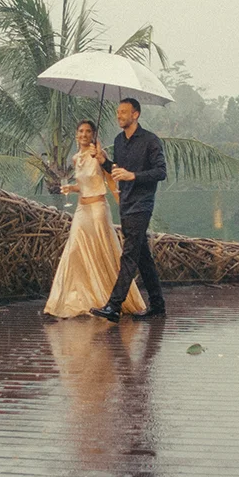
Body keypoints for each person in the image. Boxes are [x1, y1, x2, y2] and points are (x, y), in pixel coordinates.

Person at [43, 120, 146, 318]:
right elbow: (84, 185)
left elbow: (110, 181)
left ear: (93, 135)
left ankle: (108, 298)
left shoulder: (99, 155)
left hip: (98, 208)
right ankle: (71, 299)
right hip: (81, 209)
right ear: (76, 134)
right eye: (81, 131)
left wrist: (123, 204)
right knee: (74, 249)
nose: (84, 134)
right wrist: (72, 188)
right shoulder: (76, 158)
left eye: (88, 131)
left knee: (102, 250)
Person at [91, 97, 166, 321]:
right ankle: (158, 305)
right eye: (118, 112)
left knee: (129, 255)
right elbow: (117, 170)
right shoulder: (119, 141)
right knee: (143, 258)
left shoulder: (150, 140)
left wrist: (133, 175)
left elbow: (160, 172)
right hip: (125, 203)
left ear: (136, 114)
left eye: (123, 112)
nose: (119, 115)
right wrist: (103, 160)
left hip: (142, 205)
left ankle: (113, 306)